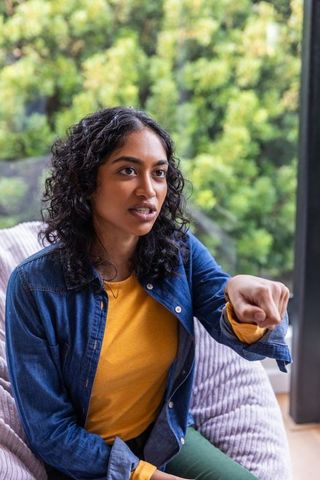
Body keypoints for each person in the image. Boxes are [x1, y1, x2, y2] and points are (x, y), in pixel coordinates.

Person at [5, 107, 291, 480]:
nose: (149, 189)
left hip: (166, 438)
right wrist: (144, 476)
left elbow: (228, 317)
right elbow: (51, 433)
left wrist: (244, 303)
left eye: (159, 173)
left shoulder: (180, 252)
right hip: (90, 463)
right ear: (87, 182)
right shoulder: (34, 286)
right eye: (127, 170)